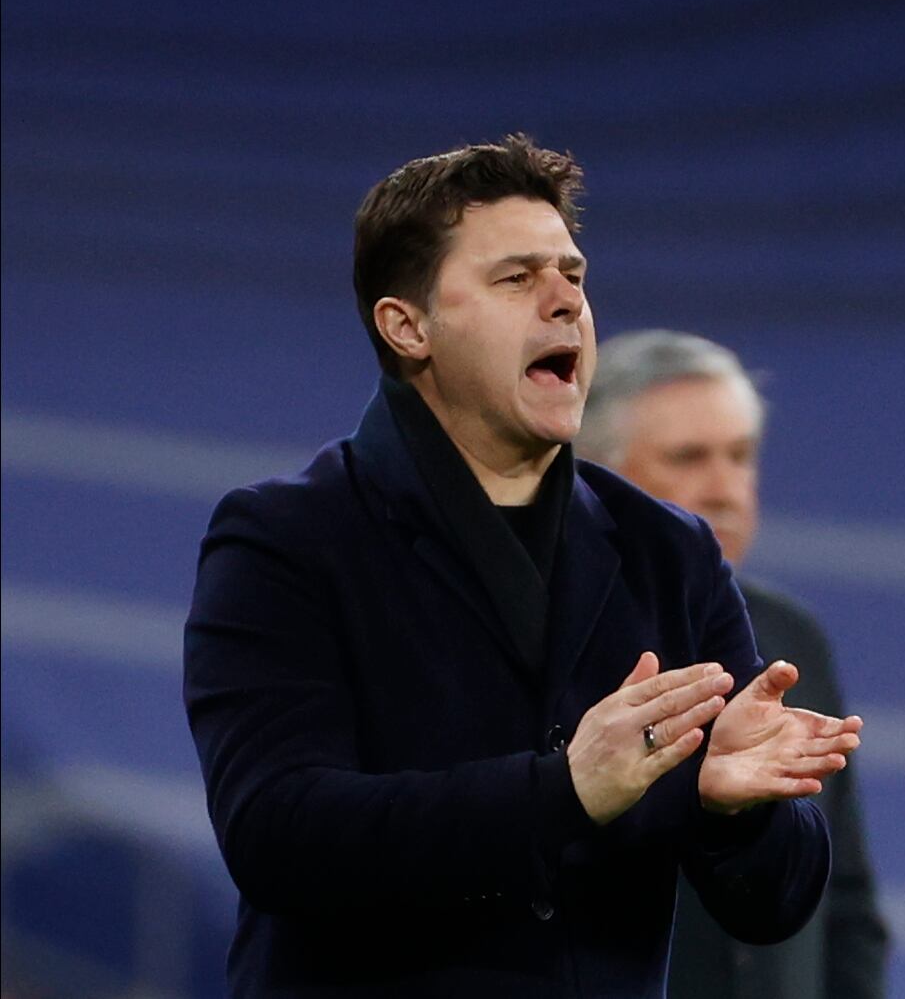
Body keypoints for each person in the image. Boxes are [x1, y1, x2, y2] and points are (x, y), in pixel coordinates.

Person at [182, 135, 863, 998]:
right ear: (407, 325)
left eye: (573, 276)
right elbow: (277, 835)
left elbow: (775, 907)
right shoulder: (285, 538)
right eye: (516, 279)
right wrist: (562, 792)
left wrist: (736, 812)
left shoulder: (669, 552)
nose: (564, 304)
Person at [581, 331, 890, 999]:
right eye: (688, 458)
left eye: (740, 457)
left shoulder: (792, 638)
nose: (723, 489)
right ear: (600, 479)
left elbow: (845, 904)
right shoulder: (558, 642)